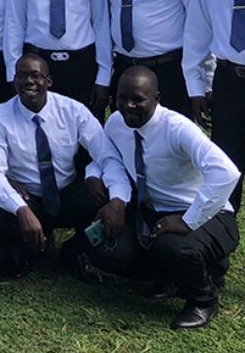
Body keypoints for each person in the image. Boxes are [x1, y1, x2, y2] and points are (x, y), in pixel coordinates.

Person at [89, 67, 240, 330]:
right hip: (154, 212)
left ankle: (203, 300)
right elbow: (109, 158)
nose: (128, 106)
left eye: (138, 99)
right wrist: (113, 196)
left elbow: (226, 172)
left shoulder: (177, 128)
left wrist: (188, 221)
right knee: (106, 248)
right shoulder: (116, 123)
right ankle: (175, 277)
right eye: (122, 98)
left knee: (173, 246)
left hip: (207, 214)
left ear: (156, 98)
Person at [0, 54, 130, 280]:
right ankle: (27, 250)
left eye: (35, 75)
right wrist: (21, 209)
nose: (28, 81)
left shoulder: (73, 110)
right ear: (14, 80)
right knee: (0, 212)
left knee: (101, 194)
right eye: (22, 76)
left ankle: (76, 249)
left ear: (48, 81)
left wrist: (117, 199)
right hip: (28, 195)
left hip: (66, 191)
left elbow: (107, 155)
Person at [184, 0, 245, 210]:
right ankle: (224, 229)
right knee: (226, 169)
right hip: (228, 81)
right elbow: (197, 33)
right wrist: (197, 87)